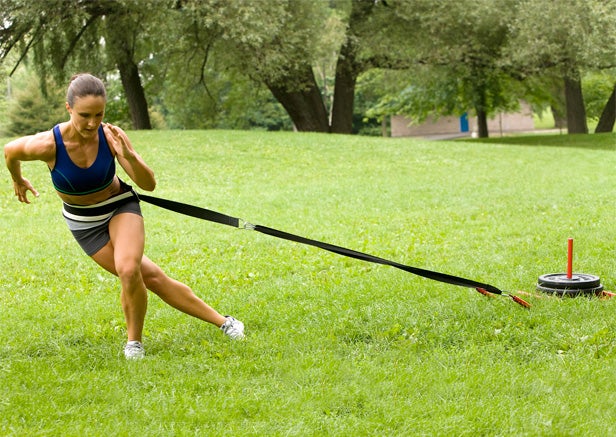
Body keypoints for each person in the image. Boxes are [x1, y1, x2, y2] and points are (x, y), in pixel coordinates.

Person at [4, 73, 245, 359]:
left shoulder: (110, 136)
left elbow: (149, 184)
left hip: (119, 205)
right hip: (84, 224)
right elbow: (10, 151)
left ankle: (134, 345)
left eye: (99, 114)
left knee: (128, 269)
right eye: (84, 115)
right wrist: (17, 179)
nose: (92, 123)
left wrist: (127, 155)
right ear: (68, 109)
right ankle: (226, 322)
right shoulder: (48, 145)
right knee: (152, 277)